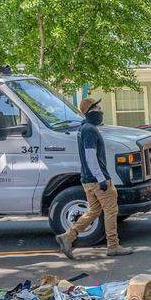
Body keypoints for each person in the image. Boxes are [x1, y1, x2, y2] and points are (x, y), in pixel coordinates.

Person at [54, 97, 132, 259]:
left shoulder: (83, 128)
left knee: (94, 210)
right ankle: (113, 245)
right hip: (97, 180)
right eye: (97, 107)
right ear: (91, 111)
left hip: (87, 180)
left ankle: (68, 236)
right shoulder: (89, 130)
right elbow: (90, 156)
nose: (101, 110)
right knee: (111, 211)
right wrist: (101, 179)